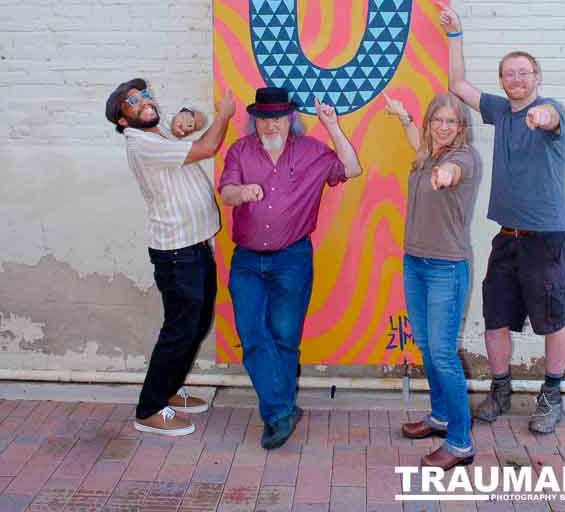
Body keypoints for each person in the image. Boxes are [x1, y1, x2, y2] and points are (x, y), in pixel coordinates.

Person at [437, 4, 565, 434]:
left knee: (553, 318)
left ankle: (551, 395)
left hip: (546, 237)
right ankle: (500, 389)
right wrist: (455, 34)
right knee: (495, 317)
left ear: (536, 78)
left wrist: (541, 116)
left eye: (523, 73)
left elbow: (549, 118)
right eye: (509, 74)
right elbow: (457, 84)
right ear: (502, 81)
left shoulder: (551, 111)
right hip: (507, 236)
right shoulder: (499, 111)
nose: (516, 80)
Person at [217, 86, 362, 450]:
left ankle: (279, 411)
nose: (270, 125)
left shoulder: (312, 151)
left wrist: (332, 126)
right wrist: (243, 192)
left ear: (290, 118)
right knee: (252, 336)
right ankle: (280, 411)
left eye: (278, 117)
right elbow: (227, 191)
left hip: (292, 259)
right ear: (254, 119)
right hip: (247, 260)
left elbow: (352, 168)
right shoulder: (240, 150)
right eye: (264, 118)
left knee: (284, 337)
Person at [105, 78, 236, 437]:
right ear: (122, 120)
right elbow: (208, 147)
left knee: (196, 322)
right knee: (180, 329)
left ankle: (169, 390)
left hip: (193, 245)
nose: (145, 101)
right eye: (133, 101)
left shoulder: (157, 129)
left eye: (145, 95)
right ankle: (149, 409)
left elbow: (197, 119)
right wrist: (225, 115)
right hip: (176, 252)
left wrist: (188, 116)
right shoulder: (141, 144)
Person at [383, 90, 480, 472]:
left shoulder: (462, 159)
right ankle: (440, 417)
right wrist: (404, 117)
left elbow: (451, 173)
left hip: (446, 269)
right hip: (415, 263)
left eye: (450, 122)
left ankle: (460, 443)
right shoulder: (427, 154)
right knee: (426, 345)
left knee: (442, 354)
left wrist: (445, 176)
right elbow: (417, 144)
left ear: (461, 127)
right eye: (437, 121)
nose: (443, 127)